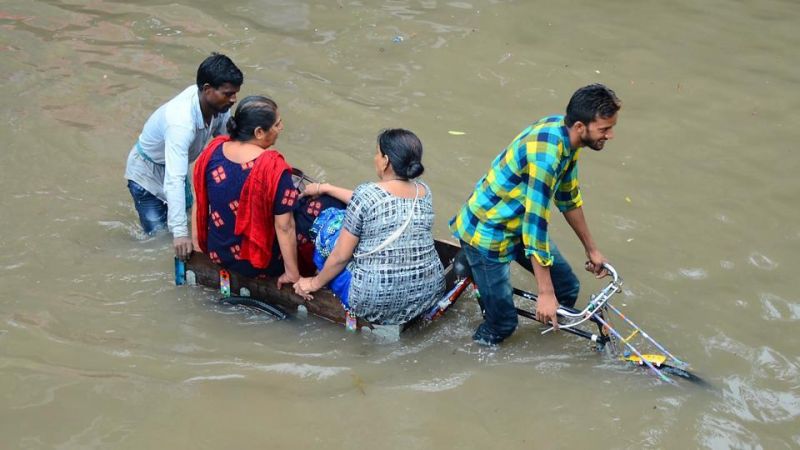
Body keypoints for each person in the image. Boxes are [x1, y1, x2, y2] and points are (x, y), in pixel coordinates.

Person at [450, 83, 621, 345]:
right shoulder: (547, 158)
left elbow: (568, 197)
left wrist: (592, 250)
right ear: (579, 127)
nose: (610, 136)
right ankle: (475, 351)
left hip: (516, 223)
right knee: (504, 325)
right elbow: (535, 226)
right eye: (604, 129)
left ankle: (545, 329)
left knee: (568, 289)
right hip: (488, 232)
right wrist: (544, 292)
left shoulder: (566, 138)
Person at [293, 129, 445, 325]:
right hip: (429, 292)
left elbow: (340, 256)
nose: (375, 158)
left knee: (330, 221)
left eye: (377, 153)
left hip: (375, 301)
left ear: (386, 161)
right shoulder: (423, 191)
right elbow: (369, 201)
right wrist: (326, 187)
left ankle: (318, 274)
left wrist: (312, 283)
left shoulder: (367, 194)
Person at [124, 53, 243, 260]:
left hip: (175, 165)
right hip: (146, 175)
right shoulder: (181, 122)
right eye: (228, 94)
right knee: (159, 238)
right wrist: (180, 234)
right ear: (207, 90)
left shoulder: (219, 106)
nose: (233, 99)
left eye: (235, 93)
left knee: (190, 217)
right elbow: (174, 179)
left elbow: (228, 145)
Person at [192, 95, 302, 287]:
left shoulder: (213, 151)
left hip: (217, 252)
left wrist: (197, 245)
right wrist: (293, 274)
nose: (281, 128)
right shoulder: (274, 167)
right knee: (310, 215)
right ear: (259, 132)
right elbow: (285, 227)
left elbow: (199, 200)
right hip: (255, 263)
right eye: (277, 124)